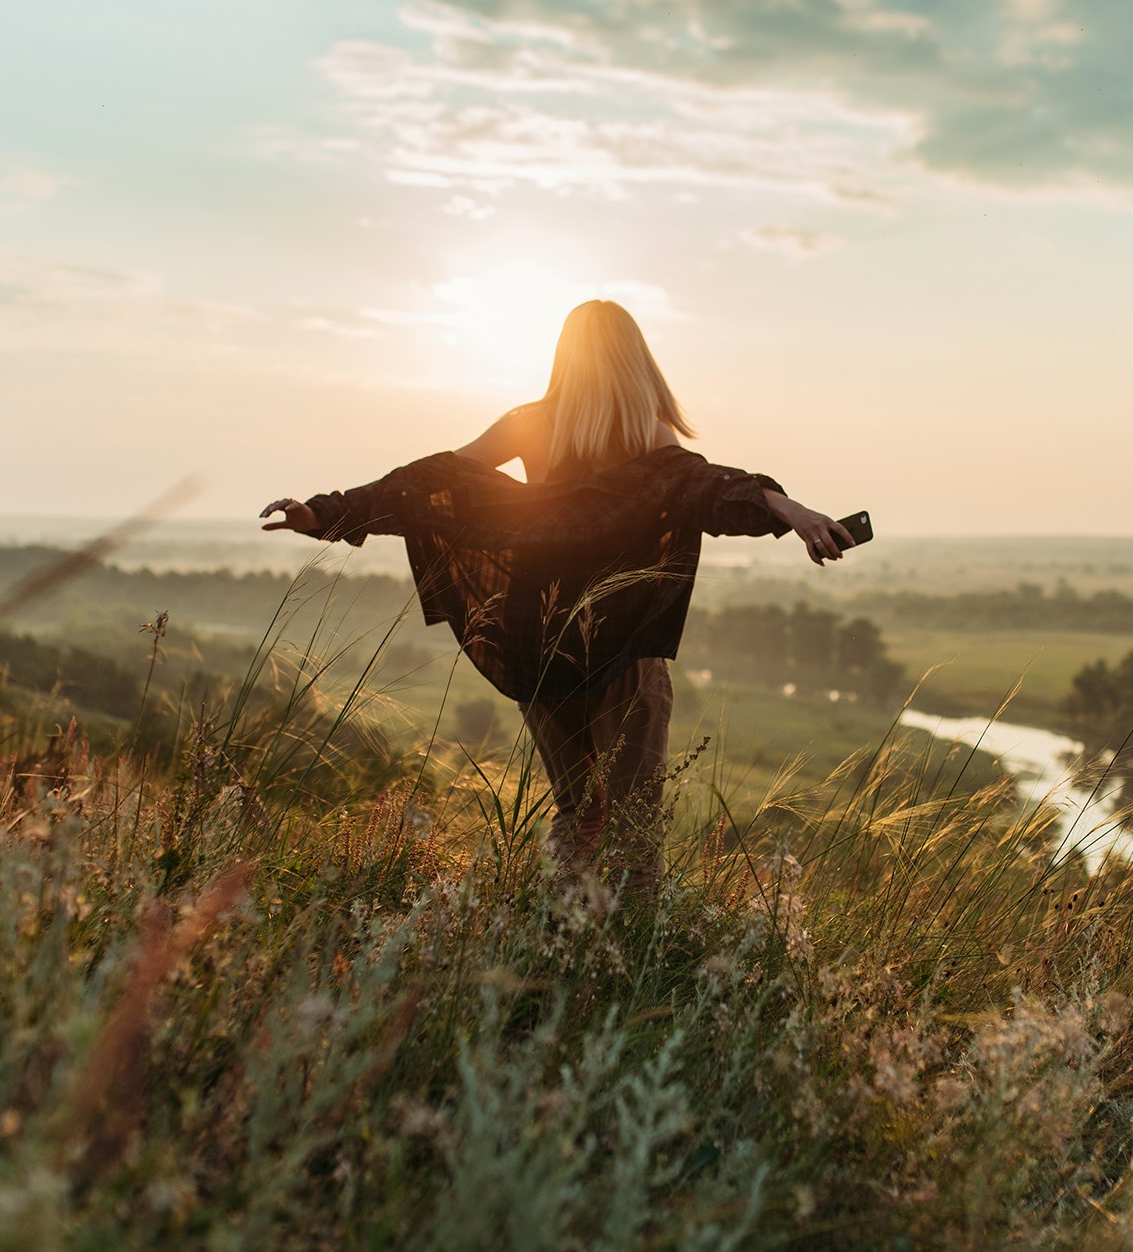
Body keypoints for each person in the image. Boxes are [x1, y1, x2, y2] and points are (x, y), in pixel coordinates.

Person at [261, 299, 852, 899]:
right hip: (618, 642)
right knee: (631, 828)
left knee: (579, 811)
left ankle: (557, 939)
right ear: (635, 360)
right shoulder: (647, 435)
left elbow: (429, 483)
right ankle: (620, 956)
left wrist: (327, 513)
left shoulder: (529, 423)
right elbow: (714, 489)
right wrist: (792, 512)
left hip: (537, 641)